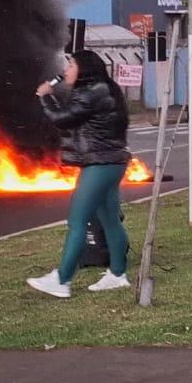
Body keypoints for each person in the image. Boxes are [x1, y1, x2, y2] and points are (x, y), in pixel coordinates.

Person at [27, 50, 132, 298]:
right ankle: (117, 274)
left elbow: (61, 119)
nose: (66, 71)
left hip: (99, 165)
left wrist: (45, 97)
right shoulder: (103, 89)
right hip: (112, 162)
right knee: (109, 220)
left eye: (71, 65)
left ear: (84, 68)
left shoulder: (92, 93)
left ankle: (62, 280)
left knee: (77, 221)